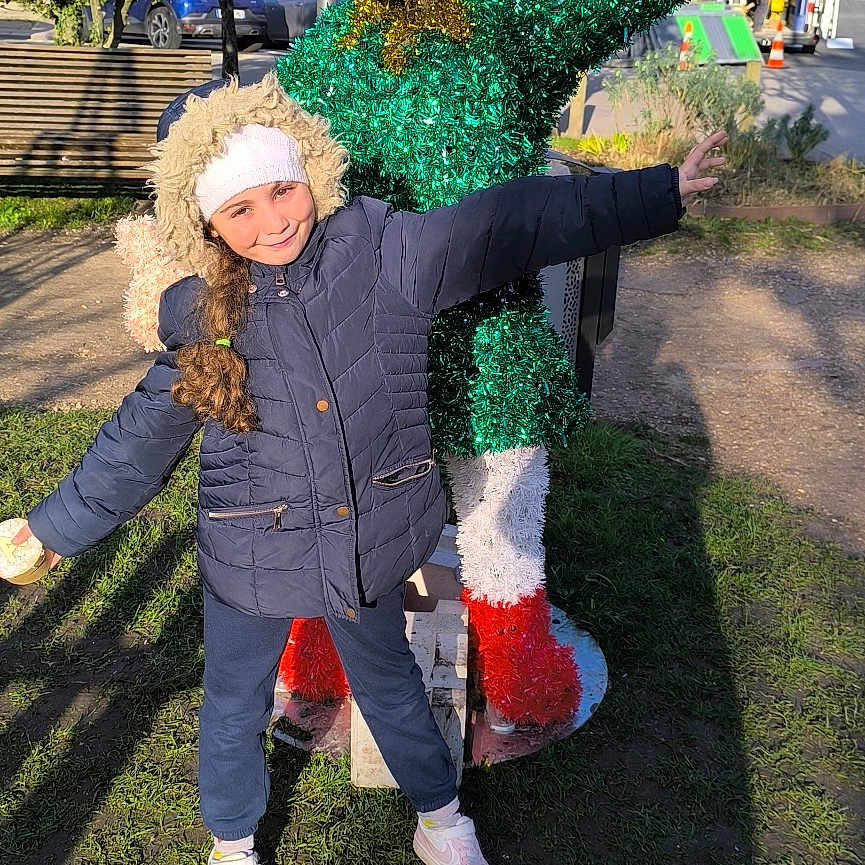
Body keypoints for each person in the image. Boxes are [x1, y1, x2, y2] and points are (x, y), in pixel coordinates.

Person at [11, 74, 726, 865]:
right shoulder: (202, 316)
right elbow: (137, 439)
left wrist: (655, 192)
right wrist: (50, 530)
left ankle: (441, 818)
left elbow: (508, 224)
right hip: (250, 555)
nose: (273, 221)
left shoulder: (385, 251)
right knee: (232, 701)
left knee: (391, 686)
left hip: (367, 542)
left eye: (282, 190)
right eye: (239, 210)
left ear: (309, 173)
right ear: (206, 225)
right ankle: (232, 839)